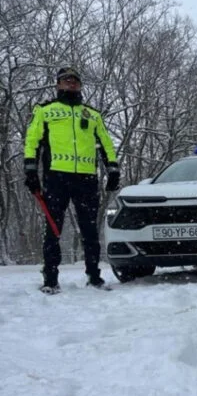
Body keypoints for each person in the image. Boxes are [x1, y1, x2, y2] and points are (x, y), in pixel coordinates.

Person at [24, 67, 120, 294]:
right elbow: (32, 140)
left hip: (86, 178)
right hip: (56, 177)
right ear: (58, 84)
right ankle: (50, 279)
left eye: (75, 81)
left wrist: (113, 169)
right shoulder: (46, 110)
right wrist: (30, 170)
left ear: (80, 85)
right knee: (53, 229)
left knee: (89, 230)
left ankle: (94, 276)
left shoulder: (92, 114)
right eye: (66, 81)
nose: (71, 84)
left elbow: (106, 143)